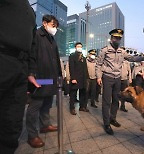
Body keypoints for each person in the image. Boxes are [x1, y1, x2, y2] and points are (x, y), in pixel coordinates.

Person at [0, 0, 39, 153]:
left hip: (21, 66)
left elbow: (32, 42)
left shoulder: (30, 10)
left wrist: (30, 71)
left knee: (13, 121)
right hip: (3, 55)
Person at [26, 15, 62, 148]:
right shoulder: (36, 35)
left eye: (56, 27)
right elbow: (31, 56)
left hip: (50, 77)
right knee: (35, 106)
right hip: (39, 77)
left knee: (47, 103)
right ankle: (32, 135)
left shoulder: (51, 39)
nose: (55, 29)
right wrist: (30, 74)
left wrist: (59, 75)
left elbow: (56, 59)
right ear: (44, 23)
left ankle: (45, 125)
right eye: (53, 26)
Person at [69, 42, 89, 115]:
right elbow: (71, 68)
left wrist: (87, 77)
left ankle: (82, 107)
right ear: (75, 47)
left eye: (81, 46)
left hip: (83, 79)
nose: (79, 47)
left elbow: (85, 68)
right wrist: (73, 78)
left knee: (82, 93)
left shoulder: (83, 57)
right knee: (73, 94)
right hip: (75, 78)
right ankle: (72, 108)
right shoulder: (72, 56)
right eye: (78, 46)